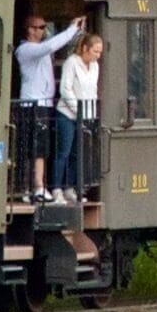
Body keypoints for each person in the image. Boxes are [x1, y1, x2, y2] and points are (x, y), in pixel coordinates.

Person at [13, 14, 79, 197]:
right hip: (33, 104)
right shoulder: (25, 50)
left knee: (41, 147)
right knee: (36, 148)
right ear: (30, 30)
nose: (45, 31)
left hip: (44, 103)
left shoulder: (39, 49)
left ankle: (35, 187)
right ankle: (36, 187)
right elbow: (50, 46)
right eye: (41, 27)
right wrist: (72, 29)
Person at [56, 29, 104, 200]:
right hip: (67, 114)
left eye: (100, 52)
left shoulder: (95, 66)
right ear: (85, 48)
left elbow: (93, 90)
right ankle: (56, 189)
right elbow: (65, 89)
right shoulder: (72, 62)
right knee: (64, 152)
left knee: (78, 153)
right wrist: (79, 110)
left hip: (85, 116)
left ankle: (70, 187)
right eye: (95, 51)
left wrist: (90, 115)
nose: (98, 55)